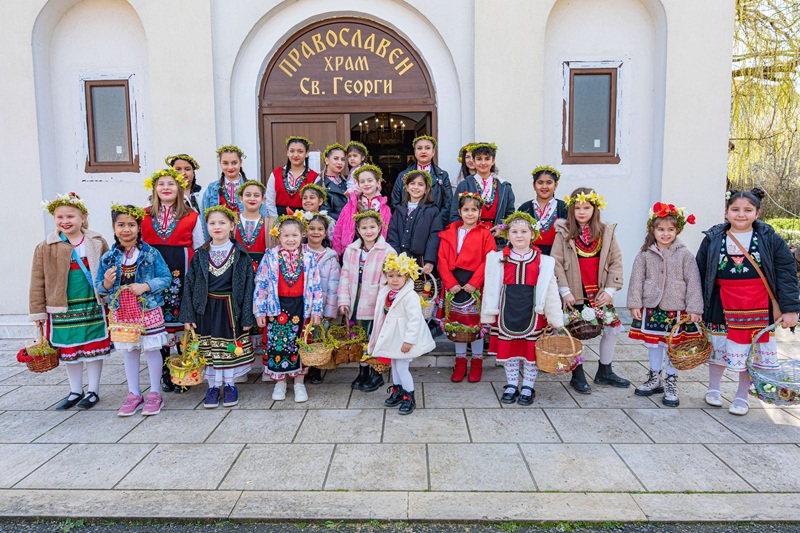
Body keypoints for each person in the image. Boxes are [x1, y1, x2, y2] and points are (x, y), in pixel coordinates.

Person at [696, 188, 800, 416]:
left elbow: (786, 272)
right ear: (726, 212)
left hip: (758, 305)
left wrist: (791, 309)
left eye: (747, 210)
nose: (741, 214)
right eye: (735, 209)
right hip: (720, 303)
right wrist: (695, 305)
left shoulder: (770, 239)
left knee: (752, 352)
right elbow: (700, 272)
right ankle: (713, 389)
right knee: (719, 347)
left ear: (758, 213)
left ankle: (742, 396)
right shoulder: (713, 239)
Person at [29, 193, 111, 410]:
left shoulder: (96, 241)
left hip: (91, 302)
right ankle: (75, 390)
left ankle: (93, 390)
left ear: (83, 217)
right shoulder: (45, 246)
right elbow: (37, 281)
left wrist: (111, 298)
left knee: (92, 345)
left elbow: (111, 270)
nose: (65, 221)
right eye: (60, 217)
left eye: (70, 216)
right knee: (69, 348)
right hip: (61, 306)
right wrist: (38, 313)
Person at [481, 212, 565, 405]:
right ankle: (511, 384)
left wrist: (555, 317)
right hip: (506, 310)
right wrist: (488, 312)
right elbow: (491, 287)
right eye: (514, 231)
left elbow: (550, 289)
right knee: (509, 350)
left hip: (533, 312)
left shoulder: (543, 261)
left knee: (531, 353)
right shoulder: (497, 259)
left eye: (524, 231)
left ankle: (528, 385)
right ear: (507, 235)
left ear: (532, 234)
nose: (519, 235)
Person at [551, 187, 629, 394]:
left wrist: (611, 290)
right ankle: (577, 373)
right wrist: (564, 290)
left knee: (612, 330)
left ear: (595, 208)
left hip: (600, 291)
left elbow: (616, 261)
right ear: (571, 210)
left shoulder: (606, 232)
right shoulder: (563, 232)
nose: (582, 212)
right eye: (577, 208)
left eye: (586, 207)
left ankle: (605, 370)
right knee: (576, 331)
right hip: (575, 291)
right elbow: (556, 262)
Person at [97, 204, 171, 416]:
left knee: (151, 349)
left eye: (131, 224)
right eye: (121, 225)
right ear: (114, 227)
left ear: (139, 227)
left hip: (147, 308)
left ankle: (155, 393)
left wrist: (146, 286)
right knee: (130, 350)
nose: (126, 229)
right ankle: (134, 394)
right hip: (122, 310)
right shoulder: (108, 258)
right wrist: (107, 285)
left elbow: (165, 278)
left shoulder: (150, 253)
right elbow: (99, 285)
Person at [179, 205, 256, 409]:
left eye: (222, 223)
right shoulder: (201, 255)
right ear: (207, 227)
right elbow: (190, 284)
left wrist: (248, 316)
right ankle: (212, 387)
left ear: (232, 226)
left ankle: (230, 385)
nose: (217, 227)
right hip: (206, 309)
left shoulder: (241, 255)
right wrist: (188, 313)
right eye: (212, 223)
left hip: (231, 309)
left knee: (229, 349)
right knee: (210, 350)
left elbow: (249, 287)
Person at [628, 203, 703, 407]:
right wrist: (634, 303)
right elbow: (636, 279)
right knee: (654, 344)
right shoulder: (644, 253)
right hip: (651, 306)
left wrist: (694, 308)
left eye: (670, 229)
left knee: (672, 345)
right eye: (660, 229)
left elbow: (693, 281)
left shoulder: (684, 254)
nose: (665, 234)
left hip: (675, 307)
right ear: (653, 230)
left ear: (677, 230)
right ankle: (655, 377)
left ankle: (671, 380)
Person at [141, 168, 204, 393]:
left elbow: (198, 245)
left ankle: (184, 366)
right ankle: (166, 370)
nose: (166, 187)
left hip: (182, 267)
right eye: (161, 184)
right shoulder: (144, 215)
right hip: (153, 271)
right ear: (154, 189)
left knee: (182, 315)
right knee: (158, 316)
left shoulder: (191, 215)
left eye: (171, 183)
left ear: (179, 188)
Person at [255, 213, 323, 402]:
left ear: (302, 235)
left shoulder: (309, 258)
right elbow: (261, 283)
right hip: (277, 309)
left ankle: (299, 383)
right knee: (278, 346)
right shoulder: (270, 257)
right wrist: (260, 310)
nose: (290, 239)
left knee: (300, 345)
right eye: (286, 236)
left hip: (302, 308)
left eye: (294, 235)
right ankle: (280, 382)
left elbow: (316, 286)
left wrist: (317, 310)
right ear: (279, 236)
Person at [437, 192, 496, 382]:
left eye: (474, 210)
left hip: (475, 283)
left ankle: (477, 362)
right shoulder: (449, 233)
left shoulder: (485, 234)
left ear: (480, 212)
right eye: (466, 210)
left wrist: (474, 282)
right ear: (459, 211)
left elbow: (489, 260)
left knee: (475, 324)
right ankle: (460, 361)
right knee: (458, 323)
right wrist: (450, 283)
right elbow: (442, 260)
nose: (470, 214)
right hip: (454, 282)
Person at [338, 210, 397, 392]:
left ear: (380, 228)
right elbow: (345, 276)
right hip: (356, 301)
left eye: (372, 227)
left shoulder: (387, 251)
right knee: (358, 337)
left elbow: (390, 279)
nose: (368, 231)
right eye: (364, 228)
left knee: (374, 337)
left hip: (375, 303)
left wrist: (385, 304)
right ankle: (362, 370)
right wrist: (343, 300)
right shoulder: (352, 250)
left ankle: (376, 373)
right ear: (357, 229)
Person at [371, 253, 436, 415]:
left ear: (407, 277)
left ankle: (409, 396)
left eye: (399, 275)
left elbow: (415, 320)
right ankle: (398, 391)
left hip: (403, 338)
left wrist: (409, 340)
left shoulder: (410, 295)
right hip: (392, 336)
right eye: (391, 275)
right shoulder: (386, 292)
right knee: (395, 365)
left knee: (402, 368)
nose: (394, 279)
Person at [451, 143, 515, 247]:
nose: (483, 163)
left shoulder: (504, 186)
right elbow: (454, 214)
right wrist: (466, 231)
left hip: (497, 239)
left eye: (487, 159)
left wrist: (501, 228)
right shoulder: (464, 185)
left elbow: (510, 213)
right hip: (470, 239)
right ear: (473, 160)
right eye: (479, 159)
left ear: (493, 161)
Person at [302, 211, 341, 384]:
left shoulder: (330, 257)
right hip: (300, 303)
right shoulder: (298, 252)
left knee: (318, 335)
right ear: (305, 231)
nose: (315, 232)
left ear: (325, 233)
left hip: (322, 305)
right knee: (302, 334)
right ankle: (300, 366)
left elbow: (333, 286)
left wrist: (330, 310)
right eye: (311, 229)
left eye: (320, 229)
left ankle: (315, 368)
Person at [387, 169, 442, 279]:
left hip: (422, 261)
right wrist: (396, 256)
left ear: (427, 189)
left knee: (422, 292)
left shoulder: (432, 211)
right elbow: (393, 233)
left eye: (420, 184)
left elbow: (435, 236)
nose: (416, 187)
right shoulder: (399, 210)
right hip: (401, 260)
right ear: (407, 188)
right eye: (412, 184)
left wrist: (430, 260)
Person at [200, 145, 266, 236]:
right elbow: (205, 219)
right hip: (220, 236)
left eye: (234, 163)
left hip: (247, 236)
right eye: (225, 163)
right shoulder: (212, 189)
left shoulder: (252, 188)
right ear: (220, 163)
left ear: (241, 162)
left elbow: (263, 214)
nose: (230, 167)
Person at [332, 165, 392, 256]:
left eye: (370, 180)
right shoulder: (350, 206)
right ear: (358, 185)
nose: (366, 184)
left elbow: (388, 233)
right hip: (352, 254)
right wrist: (336, 253)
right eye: (362, 181)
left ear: (378, 183)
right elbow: (338, 230)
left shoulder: (385, 209)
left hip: (377, 255)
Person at [391, 135, 452, 225]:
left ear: (433, 151)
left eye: (427, 148)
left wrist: (436, 223)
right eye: (419, 148)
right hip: (407, 225)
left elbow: (448, 204)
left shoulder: (442, 176)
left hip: (434, 226)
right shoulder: (403, 176)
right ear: (415, 152)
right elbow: (395, 203)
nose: (423, 151)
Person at [518, 165, 568, 255]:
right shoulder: (525, 208)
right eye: (540, 183)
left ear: (555, 185)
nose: (544, 186)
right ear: (534, 185)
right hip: (529, 256)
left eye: (549, 183)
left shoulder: (564, 207)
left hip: (557, 255)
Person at [266, 136, 319, 217]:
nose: (295, 155)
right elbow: (270, 201)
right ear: (287, 152)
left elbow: (315, 204)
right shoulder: (275, 174)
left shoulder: (314, 177)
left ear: (306, 153)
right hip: (278, 220)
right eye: (292, 151)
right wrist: (276, 221)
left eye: (300, 151)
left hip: (304, 221)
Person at [318, 143, 353, 221]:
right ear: (327, 160)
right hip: (334, 228)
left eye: (343, 159)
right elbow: (325, 213)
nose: (340, 162)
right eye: (336, 158)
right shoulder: (320, 185)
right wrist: (347, 219)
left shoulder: (348, 182)